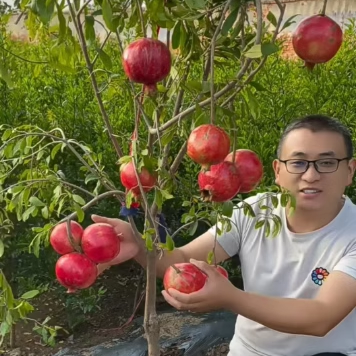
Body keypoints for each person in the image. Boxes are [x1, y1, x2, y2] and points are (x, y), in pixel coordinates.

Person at [92, 114, 356, 356]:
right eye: (298, 163)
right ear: (278, 171)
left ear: (349, 171)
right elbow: (181, 259)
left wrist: (230, 298)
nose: (311, 175)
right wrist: (138, 244)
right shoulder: (253, 212)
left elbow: (322, 316)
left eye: (327, 162)